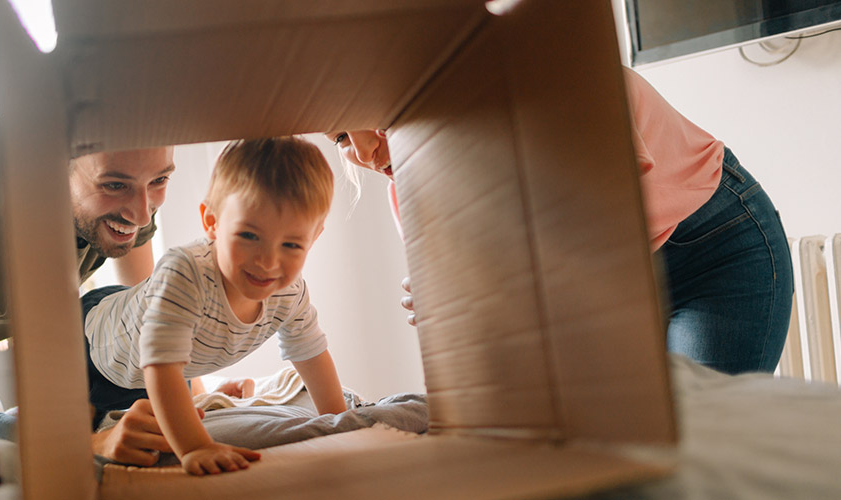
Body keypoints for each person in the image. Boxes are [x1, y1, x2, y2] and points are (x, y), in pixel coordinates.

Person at [324, 67, 793, 376]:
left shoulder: (538, 70)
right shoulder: (412, 196)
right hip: (610, 285)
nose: (364, 152)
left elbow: (602, 210)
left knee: (701, 442)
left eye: (374, 119)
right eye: (341, 136)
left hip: (712, 247)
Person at [0, 119, 181, 465]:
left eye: (160, 180)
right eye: (113, 185)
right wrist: (90, 447)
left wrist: (190, 397)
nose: (140, 214)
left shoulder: (131, 180)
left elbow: (151, 319)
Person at [80, 136, 346, 475]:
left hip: (152, 365)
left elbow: (311, 354)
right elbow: (161, 369)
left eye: (292, 244)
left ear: (315, 236)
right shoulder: (185, 274)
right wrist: (196, 447)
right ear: (212, 222)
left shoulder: (289, 292)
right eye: (249, 236)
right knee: (64, 436)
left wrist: (341, 422)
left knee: (159, 403)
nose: (268, 261)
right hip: (90, 347)